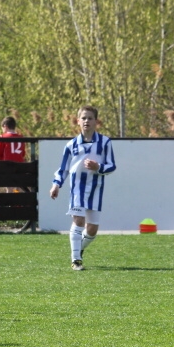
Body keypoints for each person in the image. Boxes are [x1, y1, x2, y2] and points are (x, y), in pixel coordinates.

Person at [49, 105, 117, 271]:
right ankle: (76, 259)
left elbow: (112, 166)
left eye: (90, 118)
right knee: (78, 220)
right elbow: (63, 169)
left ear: (96, 122)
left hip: (96, 189)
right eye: (84, 118)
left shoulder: (105, 142)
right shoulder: (71, 145)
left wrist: (98, 167)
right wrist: (56, 184)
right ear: (78, 121)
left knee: (92, 230)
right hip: (77, 189)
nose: (87, 121)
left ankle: (79, 248)